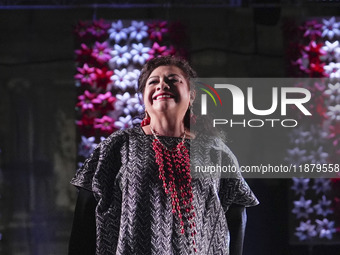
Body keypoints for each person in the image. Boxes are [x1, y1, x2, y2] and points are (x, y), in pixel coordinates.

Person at [68, 56, 259, 255]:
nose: (162, 85)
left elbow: (236, 216)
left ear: (191, 95)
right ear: (143, 97)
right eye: (153, 81)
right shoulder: (117, 147)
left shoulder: (216, 151)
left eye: (173, 80)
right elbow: (84, 220)